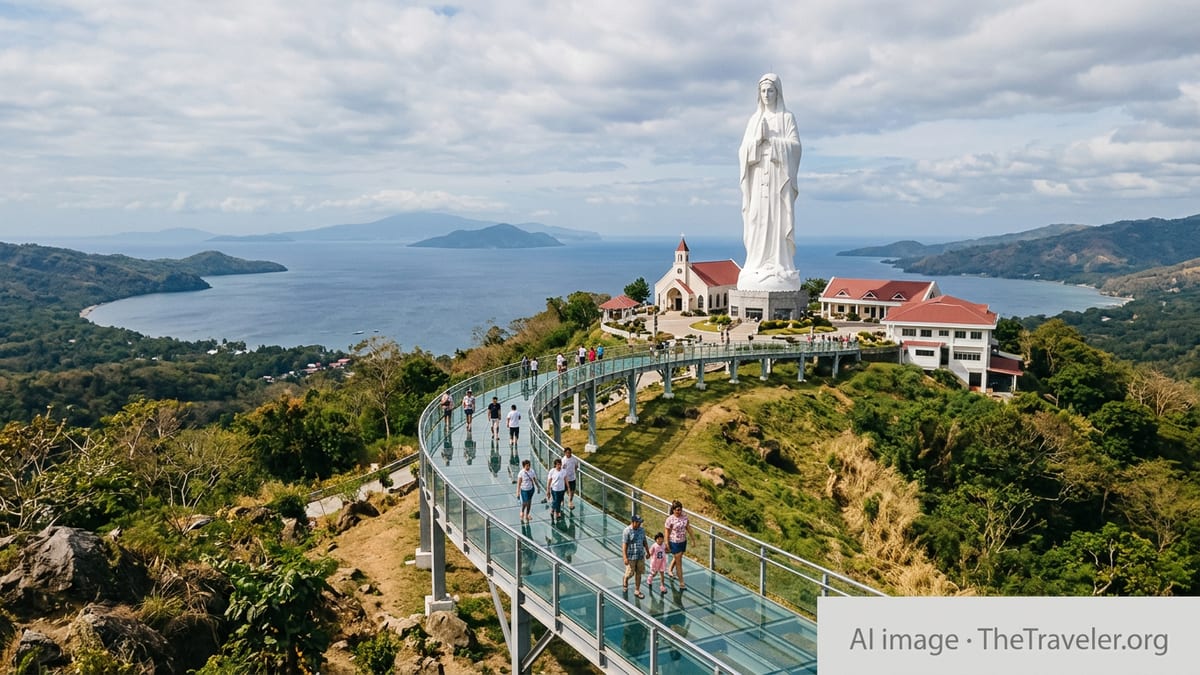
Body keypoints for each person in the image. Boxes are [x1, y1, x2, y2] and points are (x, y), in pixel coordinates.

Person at [737, 73, 803, 293]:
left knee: (776, 220)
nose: (766, 95)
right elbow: (742, 152)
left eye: (770, 90)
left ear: (778, 92)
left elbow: (796, 147)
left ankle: (778, 264)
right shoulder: (754, 120)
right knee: (755, 218)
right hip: (757, 179)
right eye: (763, 91)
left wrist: (772, 141)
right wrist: (757, 140)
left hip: (777, 179)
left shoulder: (787, 118)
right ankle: (755, 264)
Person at [664, 500, 695, 590]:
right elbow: (667, 532)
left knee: (679, 557)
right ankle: (681, 582)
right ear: (673, 510)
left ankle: (669, 569)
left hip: (683, 541)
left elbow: (688, 528)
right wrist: (666, 543)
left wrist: (693, 539)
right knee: (679, 562)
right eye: (677, 510)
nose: (679, 511)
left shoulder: (684, 517)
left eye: (680, 510)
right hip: (674, 542)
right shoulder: (670, 519)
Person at [621, 514, 649, 598]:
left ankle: (637, 590)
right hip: (631, 556)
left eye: (640, 522)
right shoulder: (627, 531)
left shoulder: (642, 530)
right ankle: (625, 579)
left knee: (639, 573)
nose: (640, 524)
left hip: (640, 555)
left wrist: (648, 551)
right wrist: (625, 557)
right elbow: (624, 545)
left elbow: (644, 541)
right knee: (630, 573)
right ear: (633, 522)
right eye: (638, 522)